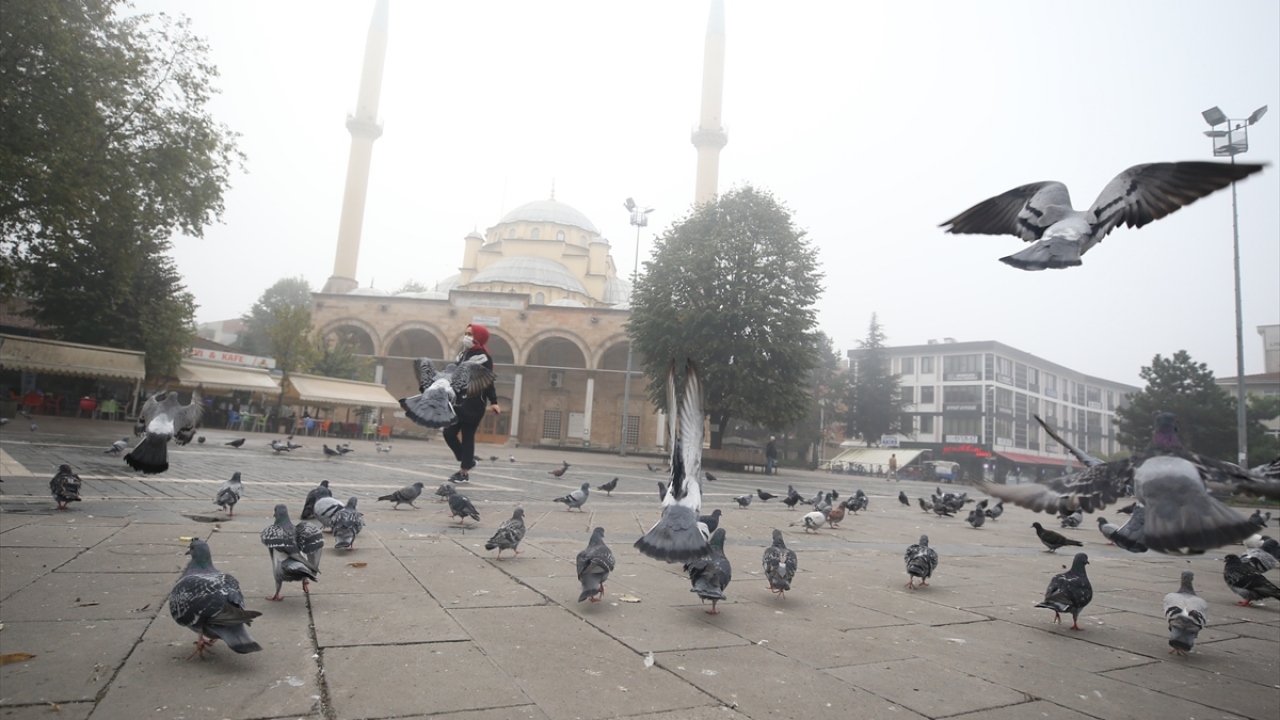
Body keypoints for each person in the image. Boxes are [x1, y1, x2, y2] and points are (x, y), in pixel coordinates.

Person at [443, 323, 501, 483]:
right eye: (466, 333)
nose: (466, 337)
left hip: (474, 403)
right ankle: (468, 461)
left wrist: (494, 401)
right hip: (457, 401)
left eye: (470, 334)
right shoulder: (463, 354)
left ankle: (464, 472)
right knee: (448, 433)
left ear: (479, 337)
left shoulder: (483, 357)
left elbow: (488, 381)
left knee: (467, 436)